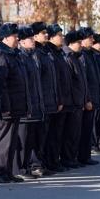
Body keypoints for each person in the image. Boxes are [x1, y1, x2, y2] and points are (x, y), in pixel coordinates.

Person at [0, 23, 30, 183]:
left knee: (11, 141)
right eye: (14, 36)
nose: (17, 38)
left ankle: (8, 172)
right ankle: (0, 173)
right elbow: (0, 85)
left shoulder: (14, 54)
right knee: (3, 141)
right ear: (5, 38)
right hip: (6, 108)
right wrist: (4, 107)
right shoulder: (0, 55)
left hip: (16, 105)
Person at [15, 26, 45, 179]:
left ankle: (27, 167)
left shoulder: (31, 57)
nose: (33, 41)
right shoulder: (20, 57)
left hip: (35, 105)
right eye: (30, 39)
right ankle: (20, 169)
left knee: (31, 140)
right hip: (26, 107)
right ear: (21, 42)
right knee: (23, 140)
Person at [31, 22, 60, 175]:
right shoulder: (35, 53)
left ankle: (43, 163)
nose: (46, 35)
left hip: (49, 100)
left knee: (45, 136)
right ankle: (36, 165)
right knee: (37, 136)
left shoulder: (45, 51)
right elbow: (37, 81)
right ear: (35, 36)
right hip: (41, 102)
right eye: (43, 33)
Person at [43, 24, 72, 172]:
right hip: (53, 100)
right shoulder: (49, 53)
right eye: (59, 35)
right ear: (52, 37)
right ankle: (50, 161)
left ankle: (55, 160)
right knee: (52, 135)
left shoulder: (58, 52)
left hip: (62, 99)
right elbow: (53, 80)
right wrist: (58, 99)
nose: (62, 37)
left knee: (59, 134)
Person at [61, 30, 88, 169]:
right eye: (78, 42)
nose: (81, 44)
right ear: (71, 43)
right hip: (71, 102)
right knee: (70, 133)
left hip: (78, 101)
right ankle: (67, 158)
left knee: (75, 133)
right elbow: (69, 83)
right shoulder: (67, 57)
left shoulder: (76, 57)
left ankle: (72, 157)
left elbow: (81, 81)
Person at [77, 27, 100, 166]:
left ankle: (86, 155)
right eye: (90, 38)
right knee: (83, 130)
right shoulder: (82, 56)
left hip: (93, 96)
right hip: (87, 99)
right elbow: (84, 80)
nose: (92, 40)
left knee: (87, 129)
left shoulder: (90, 54)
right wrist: (87, 99)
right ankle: (81, 156)